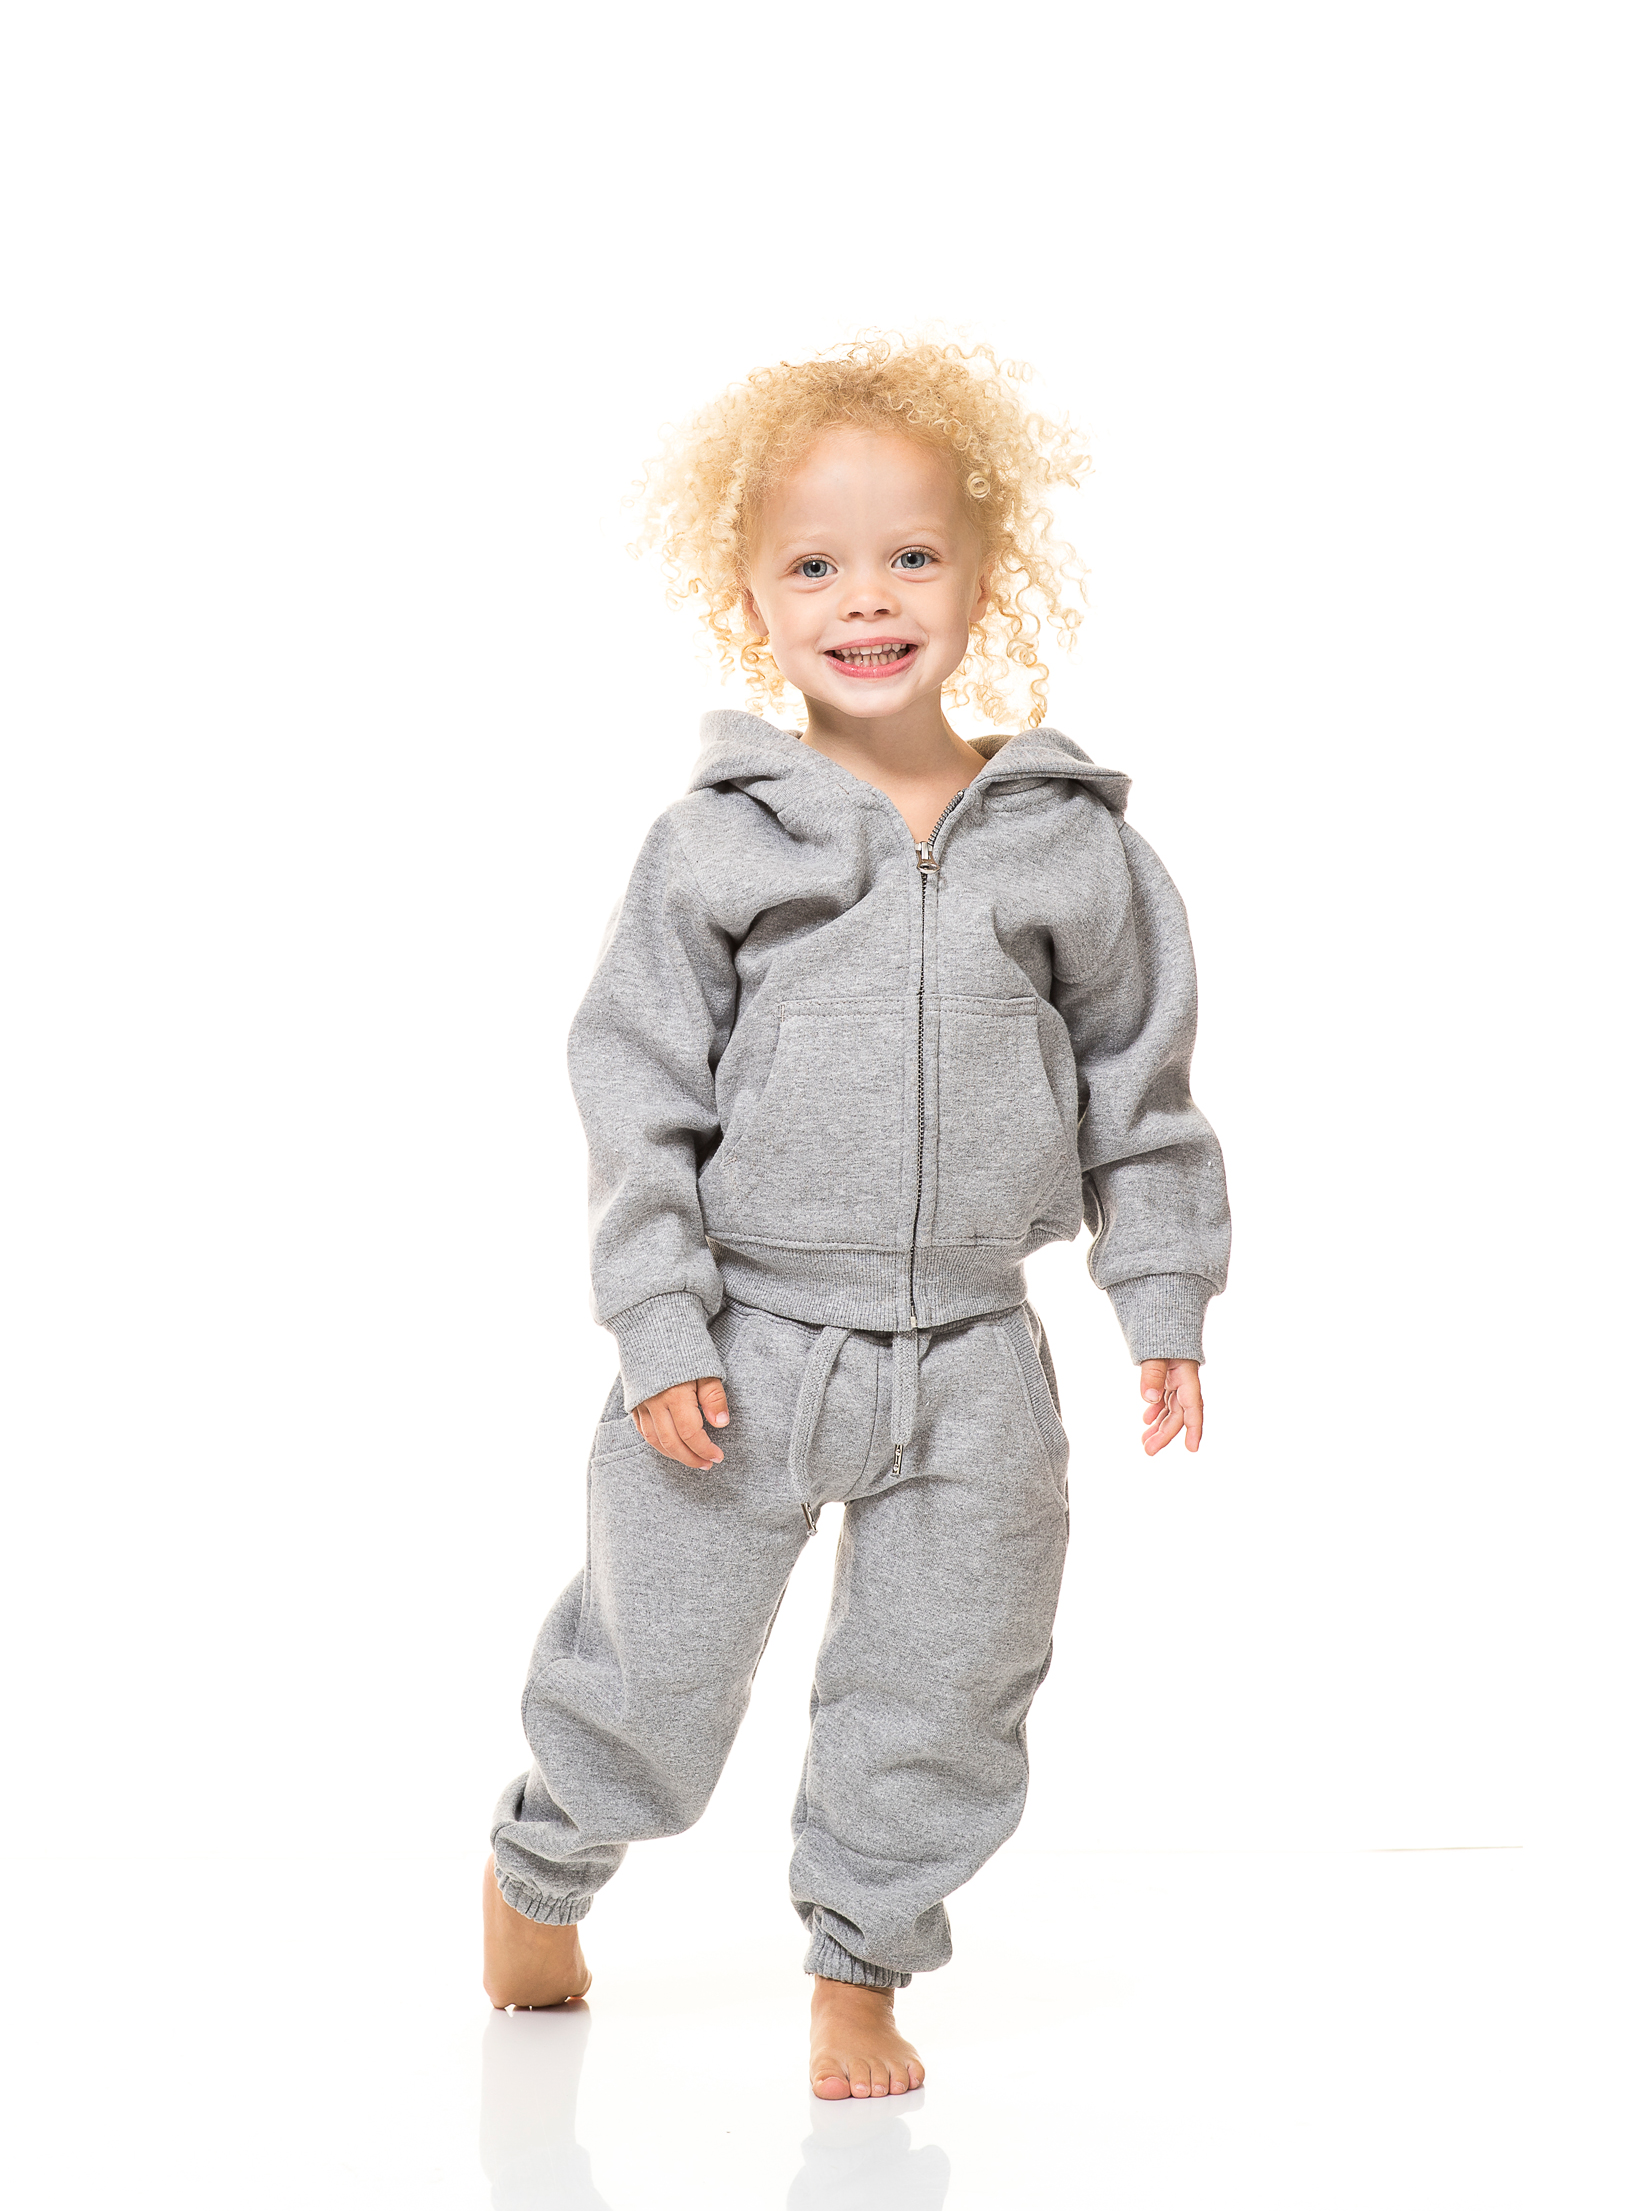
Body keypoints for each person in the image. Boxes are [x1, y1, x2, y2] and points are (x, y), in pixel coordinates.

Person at [481, 337, 1231, 2100]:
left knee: (945, 1686)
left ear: (988, 569)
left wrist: (1164, 1292)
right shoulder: (718, 846)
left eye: (912, 555)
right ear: (745, 593)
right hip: (739, 1344)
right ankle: (544, 1861)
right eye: (814, 563)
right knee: (655, 1669)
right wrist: (658, 1317)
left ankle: (861, 1969)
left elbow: (1142, 1090)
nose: (867, 598)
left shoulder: (1071, 848)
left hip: (975, 1357)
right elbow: (634, 1092)